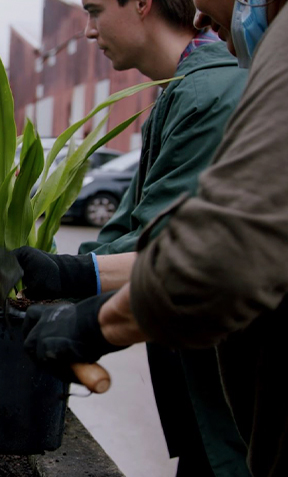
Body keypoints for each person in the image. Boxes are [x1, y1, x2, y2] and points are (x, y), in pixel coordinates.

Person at [21, 1, 288, 474]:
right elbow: (135, 232)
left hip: (227, 396)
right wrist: (65, 275)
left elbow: (211, 255)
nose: (86, 30)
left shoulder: (213, 89)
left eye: (96, 10)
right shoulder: (179, 90)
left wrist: (94, 324)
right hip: (208, 392)